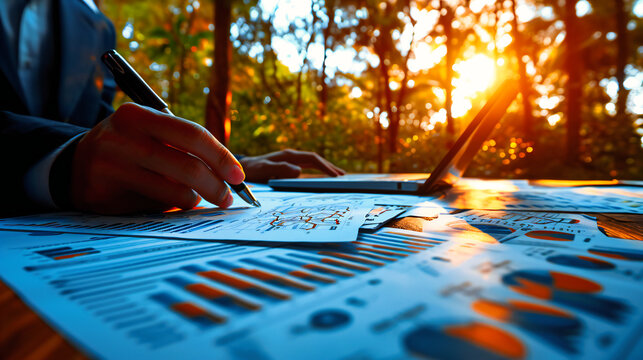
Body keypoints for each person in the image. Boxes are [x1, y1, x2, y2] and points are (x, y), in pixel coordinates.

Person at [0, 0, 344, 217]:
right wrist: (62, 163)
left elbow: (99, 130)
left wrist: (208, 159)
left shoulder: (97, 24)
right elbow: (80, 147)